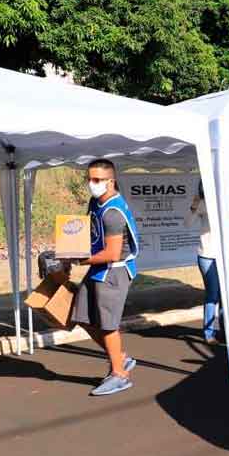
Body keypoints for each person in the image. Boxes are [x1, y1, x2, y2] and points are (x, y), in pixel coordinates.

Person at [70, 159, 140, 396]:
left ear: (111, 181)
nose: (92, 184)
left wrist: (78, 260)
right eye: (89, 179)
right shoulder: (95, 202)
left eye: (97, 180)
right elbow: (87, 232)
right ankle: (120, 357)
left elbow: (111, 252)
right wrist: (67, 249)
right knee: (82, 315)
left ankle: (120, 374)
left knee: (108, 325)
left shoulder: (113, 213)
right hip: (98, 267)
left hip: (114, 271)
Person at [185, 180, 222, 343]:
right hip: (207, 254)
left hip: (226, 255)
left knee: (224, 295)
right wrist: (194, 207)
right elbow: (187, 223)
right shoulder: (202, 204)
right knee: (212, 294)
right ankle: (209, 333)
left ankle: (226, 329)